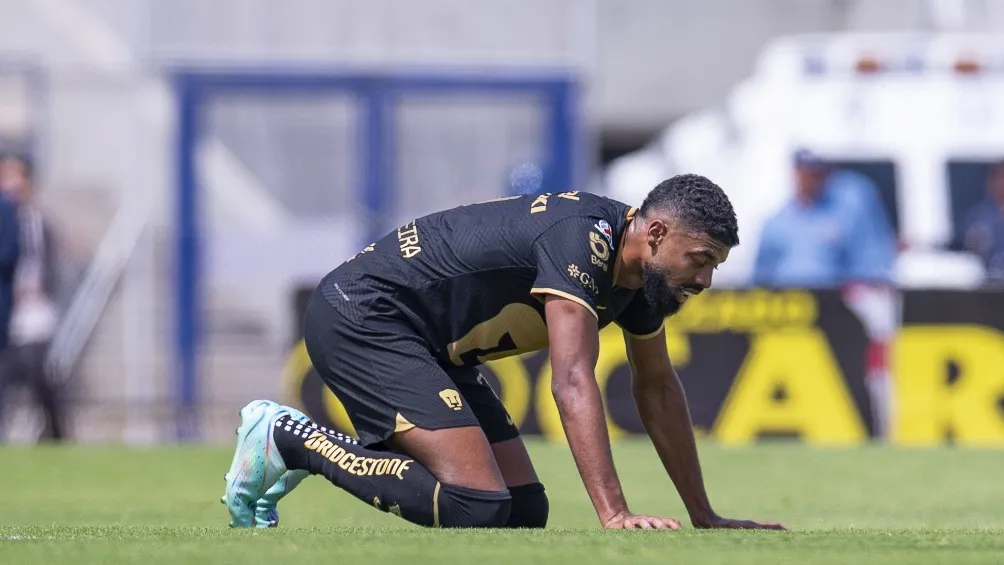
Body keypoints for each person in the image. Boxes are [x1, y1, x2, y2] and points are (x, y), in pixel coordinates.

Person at [222, 174, 784, 531]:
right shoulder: (583, 238)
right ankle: (291, 439)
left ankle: (297, 443)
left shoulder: (644, 281)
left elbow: (657, 388)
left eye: (715, 266)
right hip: (363, 315)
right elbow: (570, 379)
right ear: (656, 233)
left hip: (432, 345)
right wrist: (614, 514)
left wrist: (704, 516)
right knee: (477, 505)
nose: (706, 279)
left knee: (519, 511)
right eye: (700, 258)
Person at [0, 153, 64, 441]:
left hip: (32, 309)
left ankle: (57, 435)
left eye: (19, 176)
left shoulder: (37, 221)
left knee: (41, 376)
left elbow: (48, 264)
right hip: (6, 308)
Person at [960, 160, 1004, 283]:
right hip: (990, 283)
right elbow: (962, 243)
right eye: (995, 178)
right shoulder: (978, 215)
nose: (999, 183)